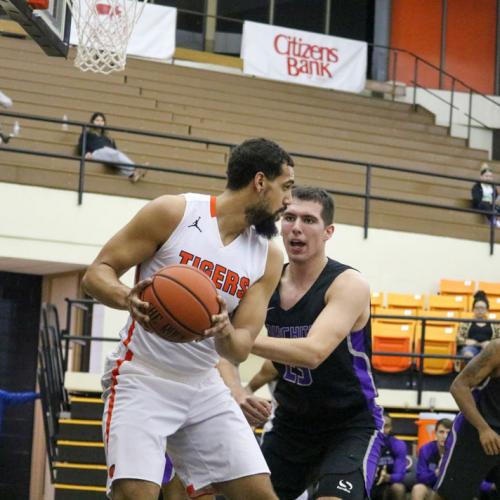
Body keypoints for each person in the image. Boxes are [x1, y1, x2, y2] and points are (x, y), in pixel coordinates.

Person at [81, 137, 295, 499]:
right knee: (135, 495)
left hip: (203, 385)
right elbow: (96, 274)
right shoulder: (174, 213)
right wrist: (125, 297)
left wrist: (225, 331)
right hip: (142, 377)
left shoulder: (268, 258)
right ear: (261, 182)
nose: (288, 200)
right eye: (286, 187)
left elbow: (240, 349)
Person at [219, 186, 384, 500]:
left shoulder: (349, 284)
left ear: (328, 232)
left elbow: (313, 352)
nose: (296, 227)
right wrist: (237, 391)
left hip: (350, 424)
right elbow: (222, 352)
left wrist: (239, 339)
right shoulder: (264, 281)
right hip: (291, 425)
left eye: (309, 220)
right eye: (290, 217)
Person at [432, 339, 500, 500]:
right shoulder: (497, 349)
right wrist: (483, 429)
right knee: (448, 496)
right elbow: (459, 386)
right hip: (475, 433)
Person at [77, 112, 147, 183]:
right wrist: (85, 153)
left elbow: (114, 150)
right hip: (96, 153)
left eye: (102, 121)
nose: (100, 122)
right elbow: (81, 146)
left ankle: (132, 175)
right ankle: (135, 168)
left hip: (109, 156)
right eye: (97, 120)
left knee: (118, 163)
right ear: (92, 121)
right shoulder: (88, 134)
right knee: (110, 151)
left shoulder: (108, 137)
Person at [410, 418, 452, 500]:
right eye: (441, 432)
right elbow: (420, 477)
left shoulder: (457, 452)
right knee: (418, 489)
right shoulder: (425, 449)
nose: (445, 436)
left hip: (450, 491)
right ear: (435, 433)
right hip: (431, 490)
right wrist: (436, 474)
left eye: (448, 433)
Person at [457, 290, 500, 363]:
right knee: (468, 354)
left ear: (487, 310)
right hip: (470, 348)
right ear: (473, 309)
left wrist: (491, 343)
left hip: (488, 348)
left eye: (482, 308)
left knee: (488, 354)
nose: (480, 311)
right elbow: (458, 338)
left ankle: (484, 374)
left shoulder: (495, 324)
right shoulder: (466, 323)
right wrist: (465, 341)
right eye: (477, 308)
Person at [371, 415, 407, 500]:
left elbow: (400, 475)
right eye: (379, 426)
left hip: (387, 482)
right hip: (368, 481)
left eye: (386, 426)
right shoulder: (364, 444)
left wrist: (387, 477)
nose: (382, 430)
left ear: (390, 428)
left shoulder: (398, 445)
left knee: (399, 488)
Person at [471, 162, 500, 228]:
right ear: (481, 177)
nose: (488, 178)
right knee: (484, 205)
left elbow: (496, 198)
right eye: (486, 176)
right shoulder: (477, 186)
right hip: (481, 205)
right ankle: (493, 221)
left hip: (492, 205)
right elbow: (476, 199)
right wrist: (488, 202)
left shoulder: (493, 187)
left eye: (490, 177)